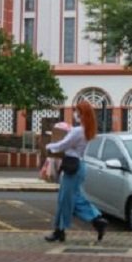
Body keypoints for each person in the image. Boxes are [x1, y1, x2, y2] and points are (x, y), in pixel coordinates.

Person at [44, 100, 108, 243]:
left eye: (77, 110)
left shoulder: (78, 130)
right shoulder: (86, 129)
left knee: (66, 200)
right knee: (70, 198)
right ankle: (96, 220)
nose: (74, 113)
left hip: (73, 167)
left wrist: (49, 146)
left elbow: (63, 144)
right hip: (77, 166)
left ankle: (61, 230)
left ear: (81, 113)